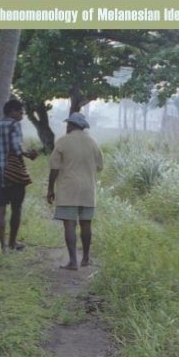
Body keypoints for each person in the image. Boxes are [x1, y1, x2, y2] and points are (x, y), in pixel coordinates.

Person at [47, 112, 103, 270]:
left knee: (69, 225)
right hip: (88, 189)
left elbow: (54, 167)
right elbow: (100, 166)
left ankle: (73, 261)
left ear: (71, 125)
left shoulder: (63, 142)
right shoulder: (93, 143)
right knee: (86, 224)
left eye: (68, 125)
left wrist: (50, 188)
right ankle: (86, 258)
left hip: (68, 188)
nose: (67, 127)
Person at [0, 99, 37, 252]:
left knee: (0, 211)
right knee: (16, 209)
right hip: (13, 176)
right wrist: (30, 154)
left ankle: (3, 246)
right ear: (13, 111)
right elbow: (16, 148)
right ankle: (13, 243)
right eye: (21, 111)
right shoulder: (15, 125)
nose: (22, 115)